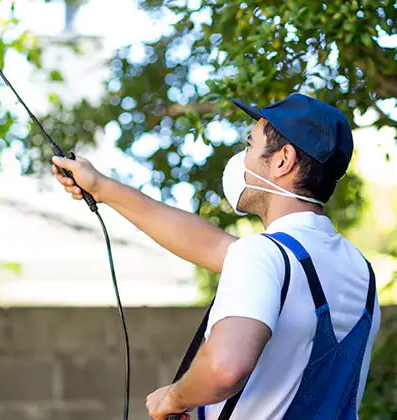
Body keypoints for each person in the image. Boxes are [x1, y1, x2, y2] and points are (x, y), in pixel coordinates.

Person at [51, 93, 380, 420]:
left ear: (283, 160)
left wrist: (175, 397)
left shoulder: (264, 255)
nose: (242, 159)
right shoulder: (359, 272)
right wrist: (101, 187)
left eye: (249, 146)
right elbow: (208, 245)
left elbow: (225, 367)